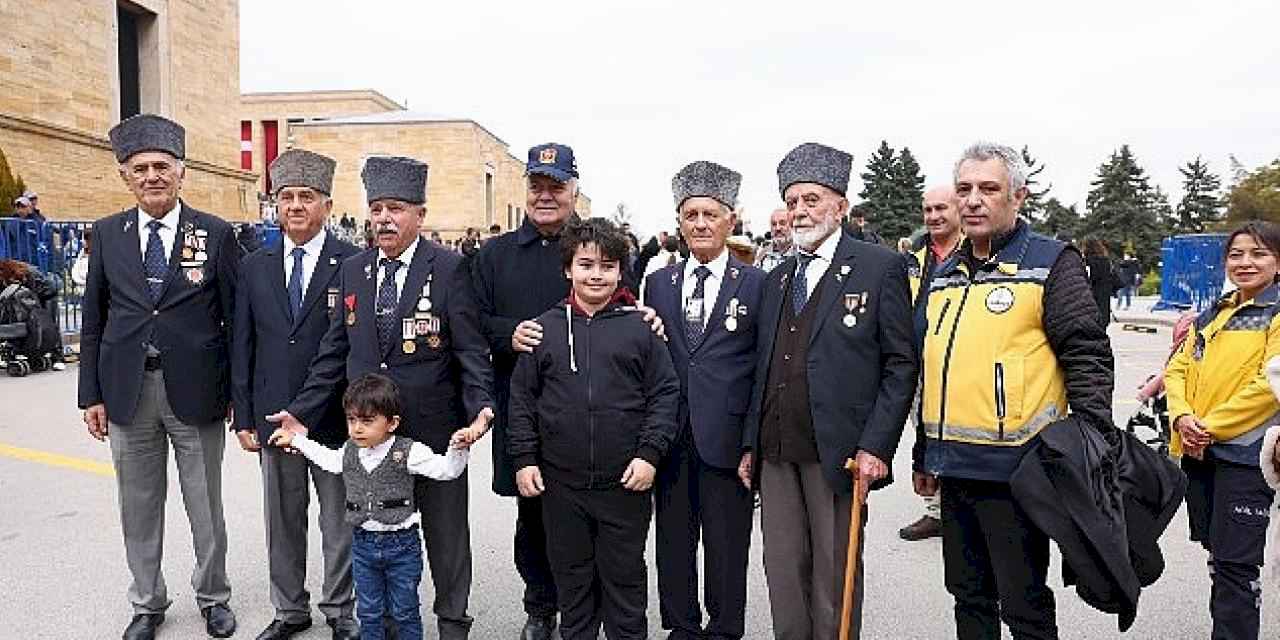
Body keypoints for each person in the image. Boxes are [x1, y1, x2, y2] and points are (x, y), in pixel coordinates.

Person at [270, 155, 495, 640]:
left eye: (395, 208)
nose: (384, 219)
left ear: (420, 214)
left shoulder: (452, 268)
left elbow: (471, 351)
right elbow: (334, 352)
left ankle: (453, 622)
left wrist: (481, 411)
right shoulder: (354, 271)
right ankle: (389, 624)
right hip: (371, 439)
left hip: (434, 431)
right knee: (378, 535)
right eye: (376, 208)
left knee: (446, 536)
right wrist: (303, 414)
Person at [914, 142, 1113, 640]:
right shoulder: (942, 274)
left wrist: (1091, 446)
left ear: (1018, 196)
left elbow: (1086, 354)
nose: (974, 200)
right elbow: (935, 370)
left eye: (989, 188)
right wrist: (924, 452)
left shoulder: (1051, 262)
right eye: (964, 189)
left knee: (1023, 606)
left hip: (1019, 473)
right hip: (954, 467)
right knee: (968, 597)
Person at [741, 142, 917, 639]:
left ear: (840, 205)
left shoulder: (878, 267)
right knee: (783, 572)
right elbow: (762, 367)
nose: (800, 211)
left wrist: (876, 446)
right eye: (793, 201)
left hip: (837, 452)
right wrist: (750, 444)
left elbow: (900, 364)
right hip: (776, 451)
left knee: (833, 574)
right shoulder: (775, 280)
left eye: (812, 200)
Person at [78, 114, 242, 640]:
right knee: (138, 505)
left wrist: (239, 393)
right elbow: (93, 317)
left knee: (205, 503)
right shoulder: (106, 234)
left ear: (181, 172)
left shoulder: (215, 234)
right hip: (127, 390)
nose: (152, 176)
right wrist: (91, 395)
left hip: (197, 390)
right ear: (125, 175)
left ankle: (214, 596)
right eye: (140, 168)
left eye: (162, 167)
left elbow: (236, 319)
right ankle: (147, 602)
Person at [507, 218, 680, 640]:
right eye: (586, 264)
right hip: (561, 486)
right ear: (568, 269)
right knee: (574, 584)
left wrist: (649, 454)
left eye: (607, 265)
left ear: (621, 270)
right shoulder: (542, 330)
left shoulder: (641, 328)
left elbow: (664, 393)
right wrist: (525, 458)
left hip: (625, 484)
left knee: (624, 584)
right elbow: (522, 400)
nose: (596, 274)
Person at [230, 149, 362, 640]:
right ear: (275, 205)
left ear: (327, 204)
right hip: (273, 416)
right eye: (286, 197)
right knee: (282, 523)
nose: (295, 206)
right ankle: (289, 610)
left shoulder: (352, 262)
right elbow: (242, 343)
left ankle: (341, 611)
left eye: (306, 197)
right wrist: (243, 415)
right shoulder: (255, 265)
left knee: (338, 522)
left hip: (332, 419)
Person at [644, 161, 764, 640]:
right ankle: (682, 626)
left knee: (726, 543)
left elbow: (762, 368)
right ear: (679, 221)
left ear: (729, 220)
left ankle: (725, 628)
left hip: (727, 438)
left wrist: (753, 441)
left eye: (709, 214)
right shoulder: (659, 283)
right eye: (690, 214)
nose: (699, 223)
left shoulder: (756, 284)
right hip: (671, 437)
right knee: (672, 541)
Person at [270, 373, 479, 640]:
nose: (357, 428)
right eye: (352, 420)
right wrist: (297, 440)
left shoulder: (409, 451)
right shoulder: (349, 452)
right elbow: (329, 460)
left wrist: (457, 449)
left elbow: (446, 471)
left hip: (402, 546)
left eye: (367, 421)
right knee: (368, 612)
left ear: (392, 423)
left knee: (404, 611)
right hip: (363, 545)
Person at [1164, 221, 1280, 640]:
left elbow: (1270, 384)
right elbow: (1177, 366)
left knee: (1236, 569)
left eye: (1259, 253)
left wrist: (1208, 426)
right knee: (1219, 558)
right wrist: (1180, 416)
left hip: (1246, 458)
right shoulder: (1218, 309)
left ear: (1278, 261)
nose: (1246, 262)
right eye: (1237, 254)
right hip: (1202, 453)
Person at [898, 183, 963, 542]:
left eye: (942, 209)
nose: (934, 216)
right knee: (925, 436)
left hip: (960, 365)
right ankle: (937, 510)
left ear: (958, 210)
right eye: (928, 210)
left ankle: (958, 511)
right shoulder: (914, 260)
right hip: (918, 366)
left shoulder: (976, 253)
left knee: (959, 438)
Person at [1083, 238, 1117, 328]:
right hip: (1105, 295)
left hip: (1092, 295)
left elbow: (1089, 278)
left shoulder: (1088, 261)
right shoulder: (1106, 261)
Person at [754, 208, 794, 273]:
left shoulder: (800, 254)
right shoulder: (763, 255)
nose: (777, 228)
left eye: (782, 223)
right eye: (774, 224)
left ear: (792, 226)